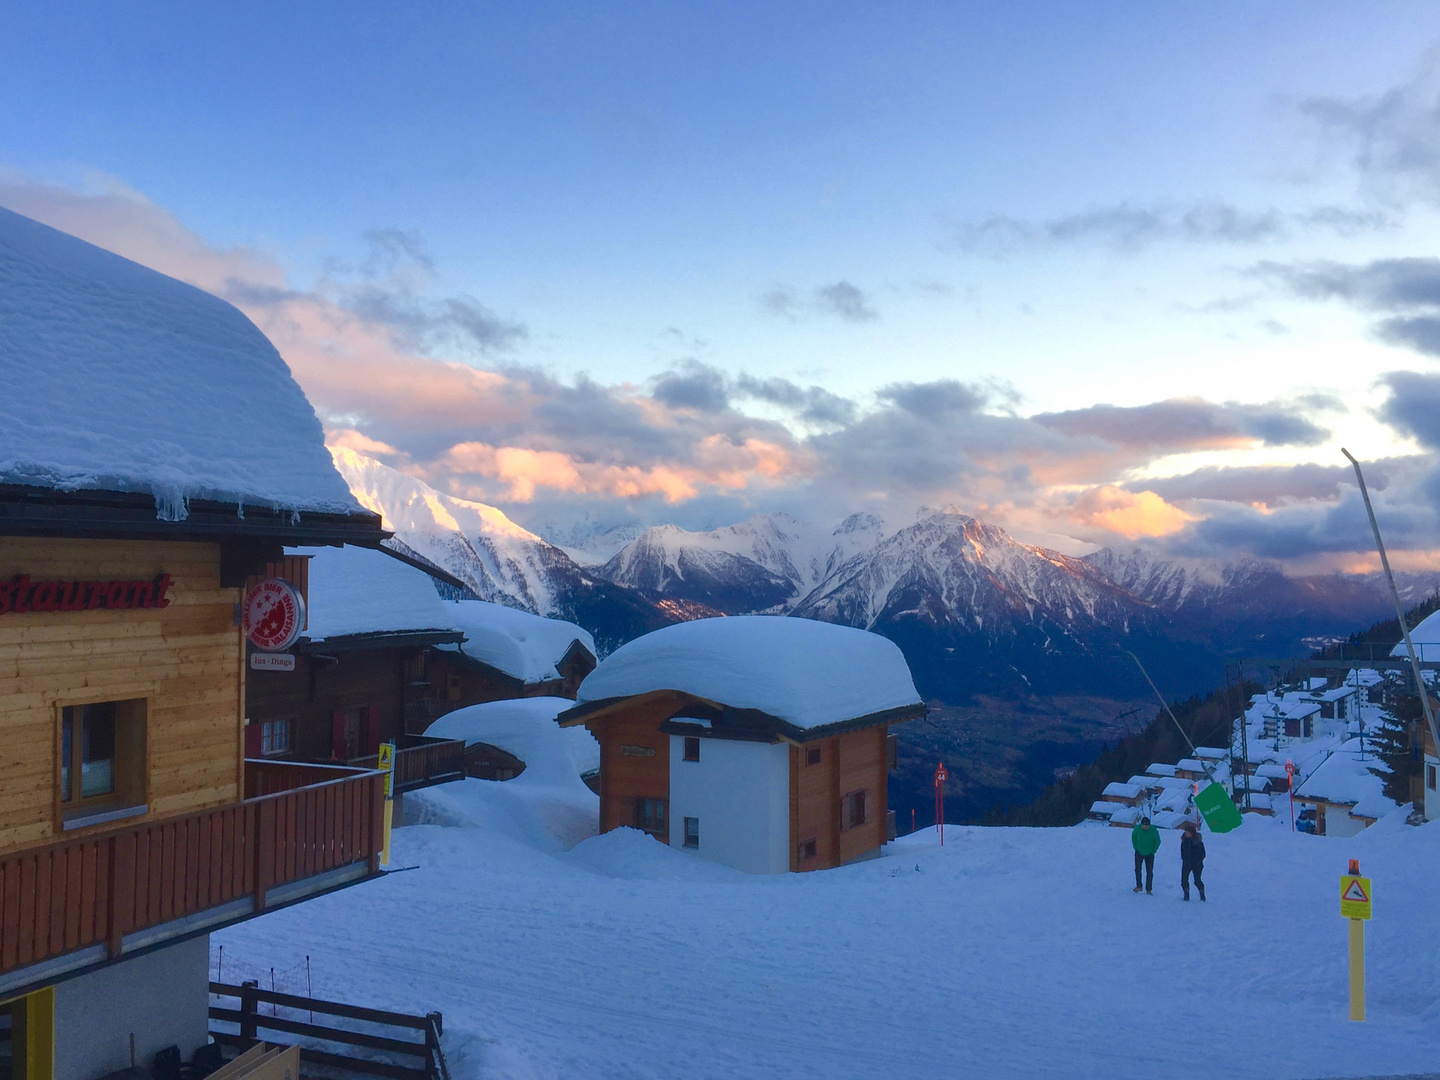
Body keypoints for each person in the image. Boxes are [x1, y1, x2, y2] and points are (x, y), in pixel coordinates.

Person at [1131, 816, 1160, 894]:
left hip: (1150, 854)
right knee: (1137, 869)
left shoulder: (1154, 831)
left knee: (1149, 871)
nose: (1145, 827)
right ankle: (1139, 886)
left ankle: (1149, 889)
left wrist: (1153, 850)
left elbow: (1158, 841)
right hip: (1139, 852)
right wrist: (1135, 846)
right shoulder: (1137, 829)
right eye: (1144, 825)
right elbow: (1133, 837)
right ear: (1141, 825)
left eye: (1147, 826)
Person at [1180, 820, 1206, 901]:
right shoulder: (1184, 841)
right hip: (1186, 863)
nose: (1186, 833)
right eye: (1185, 832)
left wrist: (1196, 861)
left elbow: (1203, 854)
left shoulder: (1198, 842)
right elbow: (1182, 852)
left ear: (1192, 833)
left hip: (1197, 865)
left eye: (1188, 832)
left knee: (1197, 881)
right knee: (1184, 880)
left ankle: (1202, 895)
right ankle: (1186, 895)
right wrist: (1184, 859)